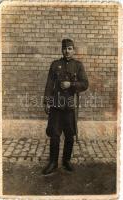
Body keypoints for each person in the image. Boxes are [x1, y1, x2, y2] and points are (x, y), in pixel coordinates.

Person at [42, 39, 88, 175]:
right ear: (61, 50)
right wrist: (46, 101)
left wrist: (71, 85)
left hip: (69, 106)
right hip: (56, 105)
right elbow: (49, 84)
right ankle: (53, 162)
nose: (66, 51)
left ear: (73, 50)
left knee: (69, 135)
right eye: (64, 49)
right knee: (54, 135)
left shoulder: (78, 66)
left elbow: (85, 84)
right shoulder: (55, 65)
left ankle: (66, 161)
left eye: (69, 48)